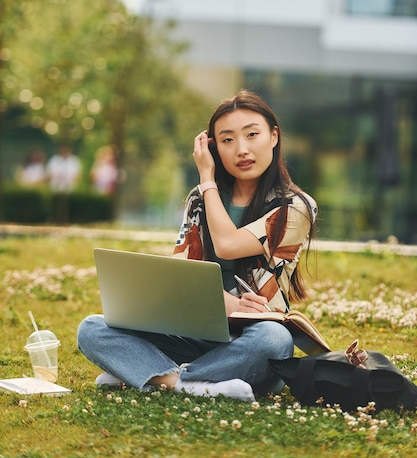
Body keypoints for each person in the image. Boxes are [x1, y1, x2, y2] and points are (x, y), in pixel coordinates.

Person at [78, 90, 317, 401]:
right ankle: (191, 382)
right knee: (93, 328)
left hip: (251, 337)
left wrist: (207, 178)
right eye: (228, 140)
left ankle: (152, 373)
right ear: (213, 147)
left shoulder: (295, 207)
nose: (242, 149)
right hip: (196, 332)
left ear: (273, 136)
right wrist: (207, 184)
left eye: (252, 135)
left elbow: (229, 244)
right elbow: (184, 277)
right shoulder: (200, 198)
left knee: (274, 340)